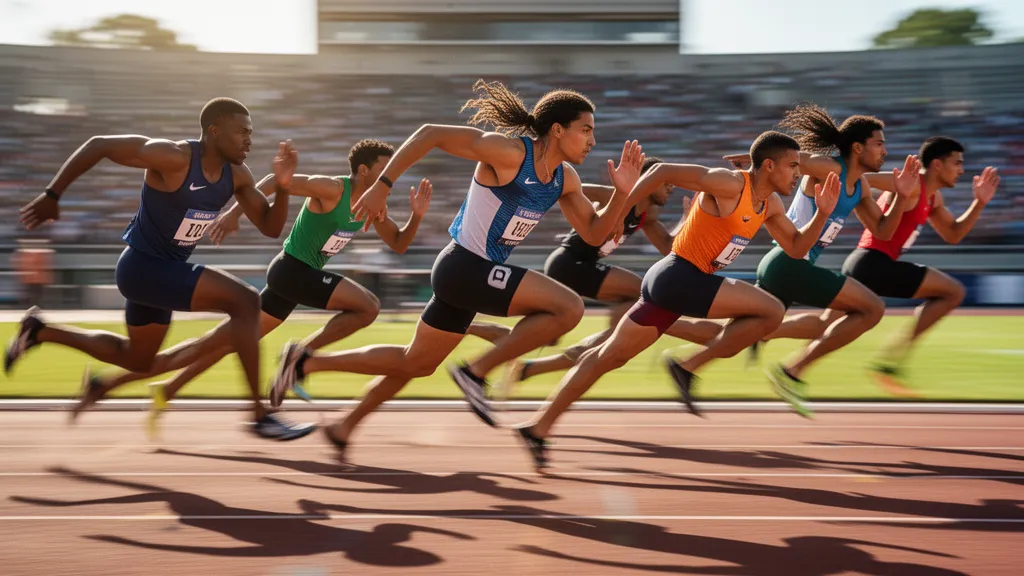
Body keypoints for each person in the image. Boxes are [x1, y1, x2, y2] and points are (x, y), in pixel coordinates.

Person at [267, 79, 645, 461]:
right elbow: (431, 134)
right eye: (586, 130)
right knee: (568, 308)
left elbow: (595, 233)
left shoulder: (566, 180)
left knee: (414, 362)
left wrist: (622, 193)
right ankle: (476, 372)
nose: (592, 141)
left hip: (474, 275)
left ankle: (314, 375)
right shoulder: (510, 153)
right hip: (463, 266)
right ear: (558, 130)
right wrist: (383, 184)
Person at [511, 130, 841, 469]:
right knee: (770, 310)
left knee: (605, 357)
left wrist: (822, 213)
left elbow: (797, 248)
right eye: (792, 166)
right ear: (769, 165)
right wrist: (619, 211)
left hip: (676, 285)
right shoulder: (729, 184)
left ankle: (537, 427)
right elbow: (662, 171)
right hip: (680, 276)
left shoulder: (770, 204)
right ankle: (687, 366)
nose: (798, 174)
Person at [71, 139, 432, 437]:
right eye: (386, 171)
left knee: (218, 343)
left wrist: (416, 215)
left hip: (295, 283)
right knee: (367, 306)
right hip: (292, 272)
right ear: (365, 171)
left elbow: (398, 243)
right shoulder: (333, 187)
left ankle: (141, 387)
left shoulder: (373, 206)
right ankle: (302, 355)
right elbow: (278, 181)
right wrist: (234, 213)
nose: (392, 179)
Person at [7, 97, 312, 440]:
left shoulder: (238, 176)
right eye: (242, 132)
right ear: (214, 131)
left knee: (138, 360)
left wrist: (284, 189)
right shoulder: (175, 157)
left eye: (251, 133)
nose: (250, 140)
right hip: (141, 268)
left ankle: (40, 331)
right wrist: (53, 194)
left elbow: (270, 227)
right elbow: (100, 145)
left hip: (163, 274)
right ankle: (260, 415)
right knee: (245, 301)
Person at [724, 104, 921, 417]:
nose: (885, 150)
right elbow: (788, 159)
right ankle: (791, 371)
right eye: (879, 144)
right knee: (871, 309)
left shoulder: (861, 187)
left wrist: (899, 196)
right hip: (789, 262)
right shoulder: (828, 168)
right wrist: (751, 161)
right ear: (858, 148)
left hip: (793, 264)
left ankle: (679, 352)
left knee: (755, 329)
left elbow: (883, 231)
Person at [767, 137, 998, 395]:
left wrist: (979, 203)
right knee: (952, 291)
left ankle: (769, 338)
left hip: (869, 264)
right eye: (957, 163)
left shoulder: (933, 199)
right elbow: (862, 180)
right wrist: (847, 187)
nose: (962, 170)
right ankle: (890, 360)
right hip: (872, 261)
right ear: (936, 165)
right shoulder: (911, 184)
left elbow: (953, 234)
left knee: (824, 326)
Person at [499, 157, 721, 394]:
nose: (671, 189)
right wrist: (528, 195)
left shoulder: (647, 216)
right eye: (667, 184)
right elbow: (571, 189)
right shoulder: (614, 195)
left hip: (585, 266)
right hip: (569, 263)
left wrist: (686, 221)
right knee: (643, 294)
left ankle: (530, 369)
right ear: (649, 180)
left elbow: (669, 247)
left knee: (611, 333)